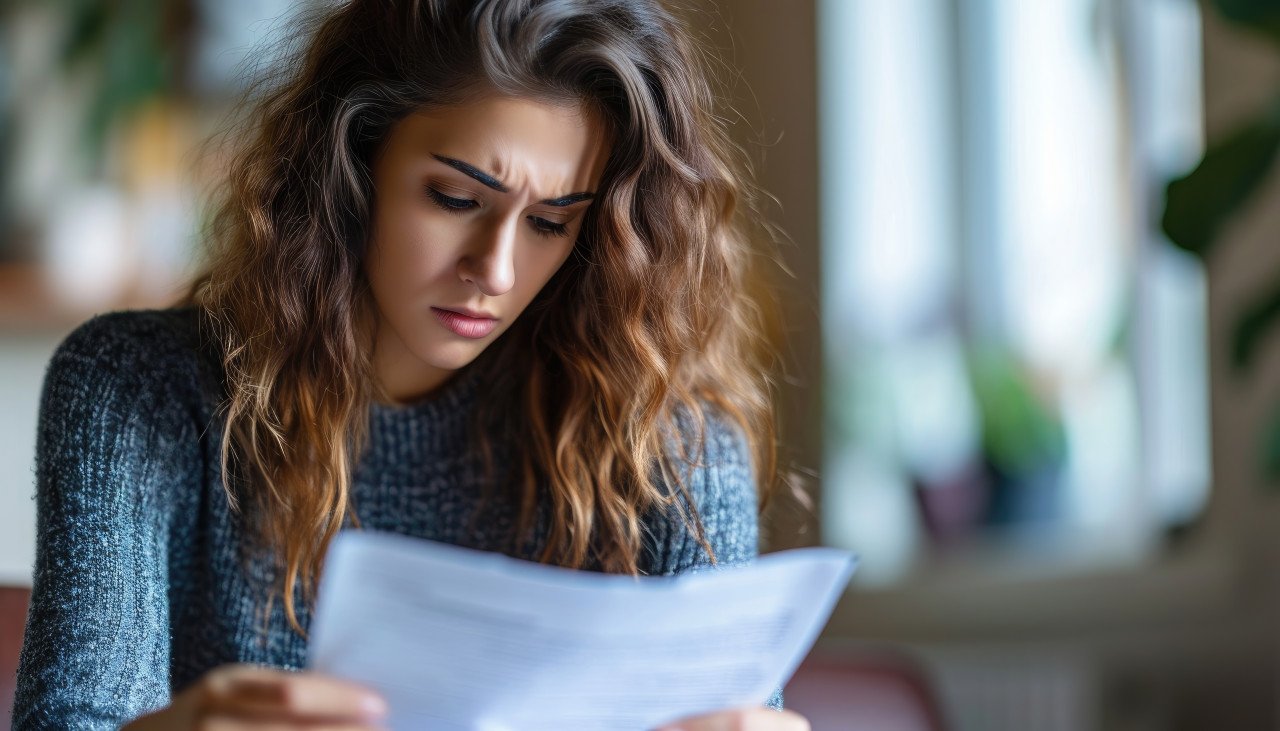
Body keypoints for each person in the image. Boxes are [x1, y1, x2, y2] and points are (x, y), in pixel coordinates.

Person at [12, 0, 808, 728]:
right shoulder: (139, 390)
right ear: (354, 169)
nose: (495, 270)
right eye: (456, 199)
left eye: (550, 223)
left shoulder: (664, 442)